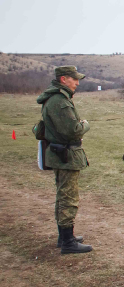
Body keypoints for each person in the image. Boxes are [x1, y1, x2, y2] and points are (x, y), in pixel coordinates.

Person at [36, 66, 93, 254]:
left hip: (60, 154)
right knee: (68, 197)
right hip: (66, 156)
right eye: (74, 79)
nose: (77, 83)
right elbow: (73, 130)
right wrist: (85, 125)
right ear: (63, 79)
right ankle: (68, 242)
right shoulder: (59, 101)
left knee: (63, 195)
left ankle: (64, 236)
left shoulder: (56, 98)